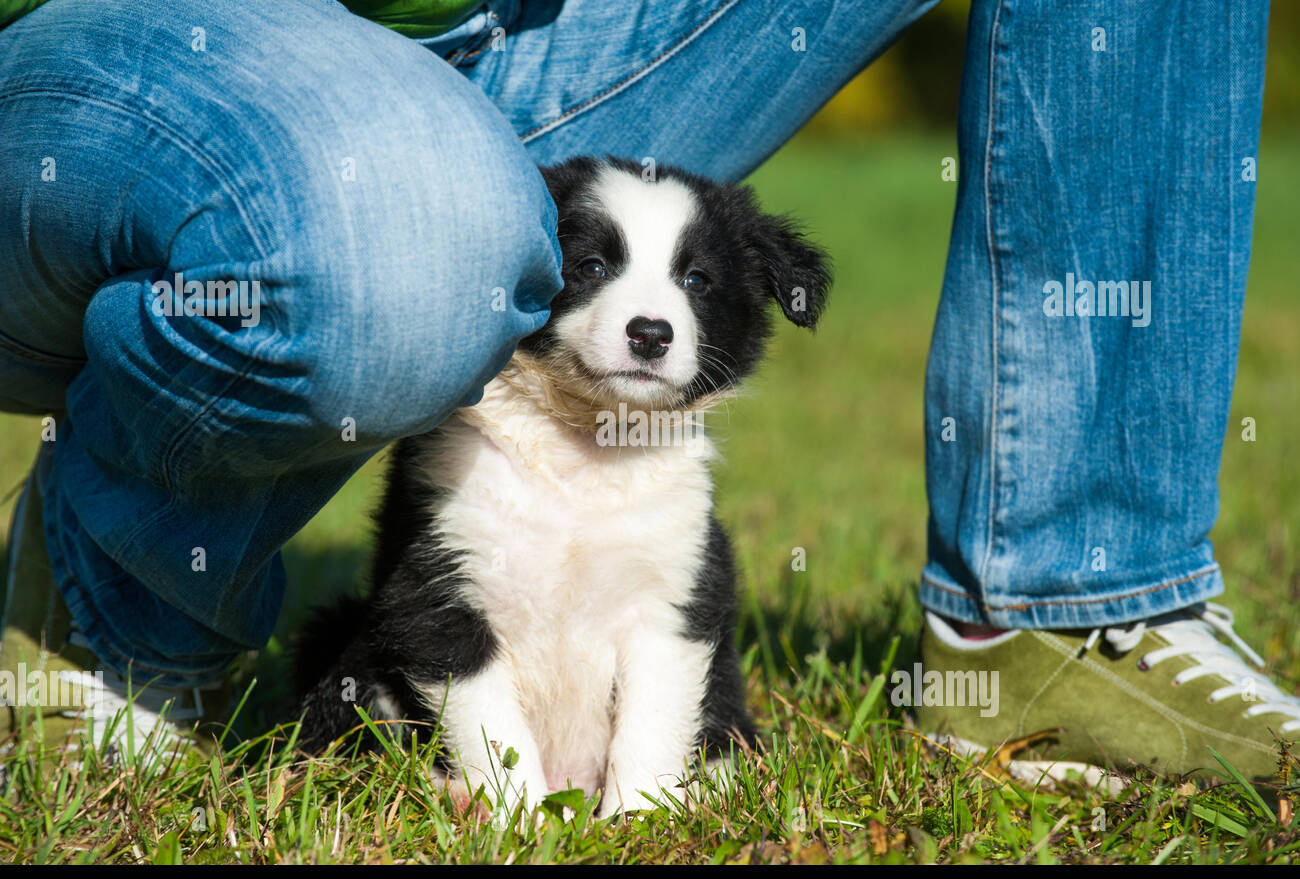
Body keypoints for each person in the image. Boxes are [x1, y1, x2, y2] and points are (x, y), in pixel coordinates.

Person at [2, 0, 1295, 781]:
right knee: (404, 249)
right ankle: (116, 595)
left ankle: (1073, 595)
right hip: (186, 40)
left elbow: (667, 626)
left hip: (513, 26)